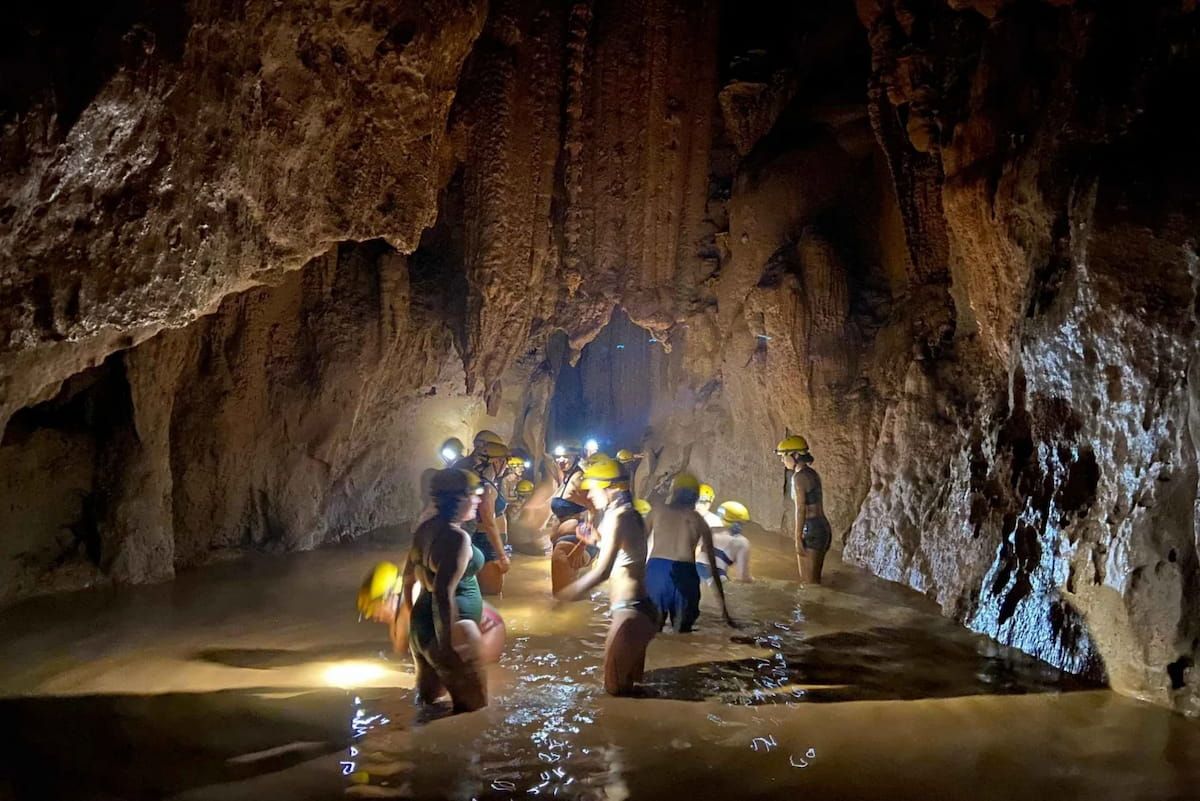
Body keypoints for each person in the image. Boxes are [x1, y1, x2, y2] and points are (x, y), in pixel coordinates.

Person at [554, 457, 658, 696]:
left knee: (614, 694)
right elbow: (627, 553)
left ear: (609, 487)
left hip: (630, 615)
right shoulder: (628, 514)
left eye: (592, 489)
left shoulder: (619, 517)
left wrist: (565, 595)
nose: (589, 495)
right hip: (639, 611)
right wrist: (596, 540)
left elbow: (603, 572)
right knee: (631, 693)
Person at [645, 473, 735, 632]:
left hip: (656, 572)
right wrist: (724, 611)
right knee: (683, 634)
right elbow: (713, 568)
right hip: (685, 574)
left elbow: (638, 546)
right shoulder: (699, 521)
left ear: (674, 492)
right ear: (695, 497)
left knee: (652, 632)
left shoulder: (657, 511)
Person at [456, 437, 512, 596]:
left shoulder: (475, 481)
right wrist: (502, 555)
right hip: (485, 542)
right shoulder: (486, 487)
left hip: (476, 540)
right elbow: (489, 522)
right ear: (497, 462)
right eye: (505, 461)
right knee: (492, 594)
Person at [776, 434, 832, 584]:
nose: (782, 460)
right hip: (822, 527)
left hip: (811, 529)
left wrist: (797, 538)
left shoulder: (798, 477)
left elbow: (801, 509)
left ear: (795, 455)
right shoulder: (812, 473)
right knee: (815, 581)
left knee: (808, 584)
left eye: (784, 456)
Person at [695, 501, 753, 583]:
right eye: (742, 523)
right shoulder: (742, 542)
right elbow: (743, 577)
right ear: (737, 523)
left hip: (691, 573)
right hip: (715, 580)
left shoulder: (706, 531)